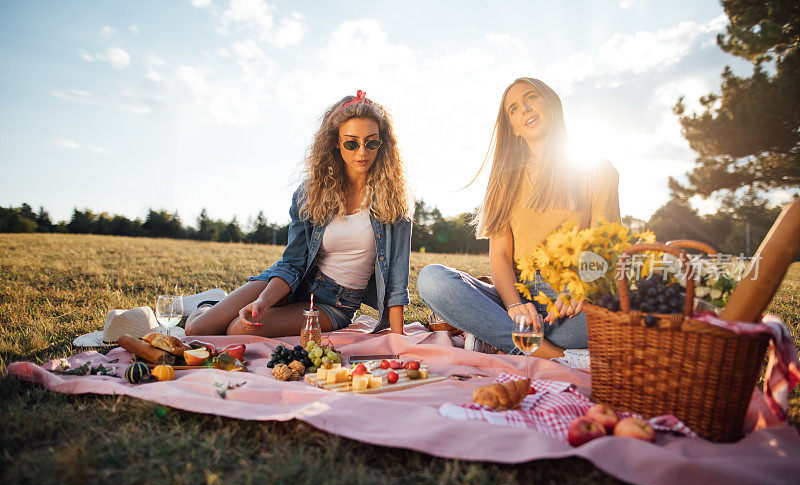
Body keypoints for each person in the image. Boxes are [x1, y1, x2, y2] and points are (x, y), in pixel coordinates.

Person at [417, 77, 620, 357]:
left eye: (531, 98)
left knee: (635, 306)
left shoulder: (597, 168)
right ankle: (551, 354)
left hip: (568, 305)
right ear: (512, 129)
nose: (524, 109)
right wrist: (514, 306)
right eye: (513, 109)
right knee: (432, 279)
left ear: (552, 103)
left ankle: (498, 335)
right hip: (514, 298)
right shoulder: (506, 179)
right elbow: (500, 255)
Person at [186, 91, 412, 338]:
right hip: (292, 283)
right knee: (197, 329)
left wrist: (398, 340)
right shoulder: (310, 193)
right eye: (351, 143)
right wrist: (263, 301)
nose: (362, 152)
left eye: (371, 142)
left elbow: (396, 280)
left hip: (334, 304)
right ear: (336, 142)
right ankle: (211, 303)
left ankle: (224, 306)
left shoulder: (394, 199)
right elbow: (293, 262)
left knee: (237, 331)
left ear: (383, 143)